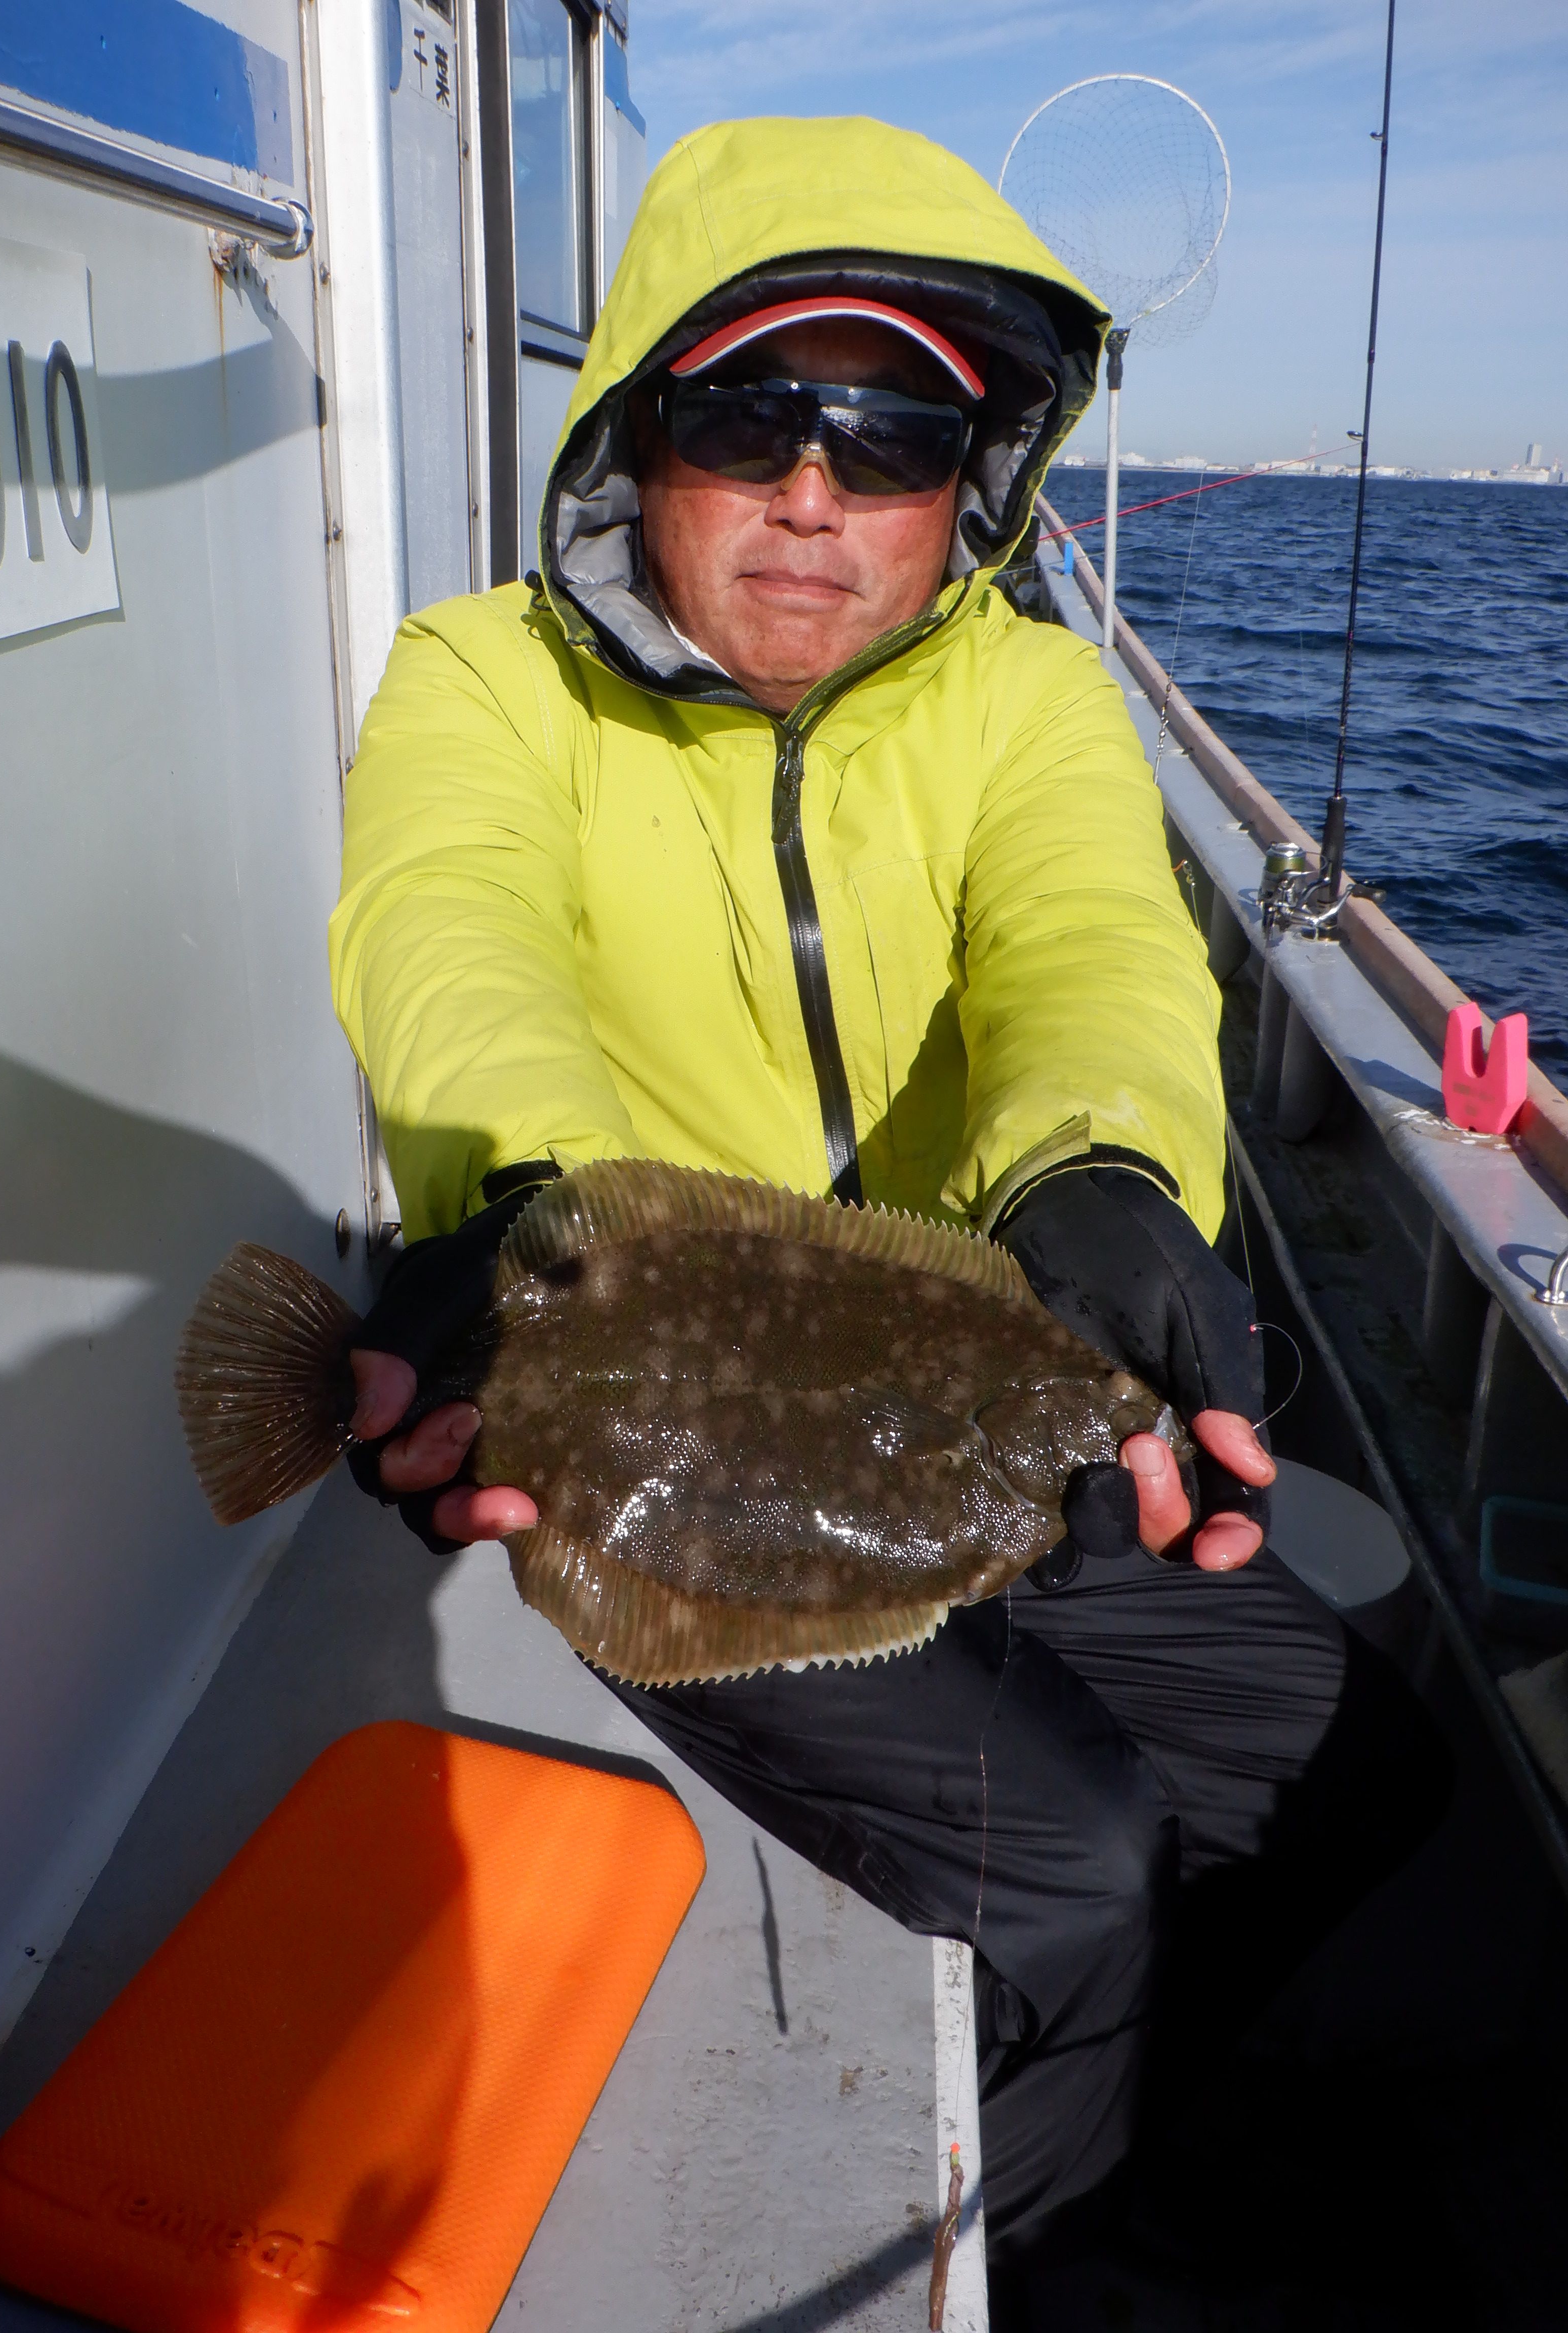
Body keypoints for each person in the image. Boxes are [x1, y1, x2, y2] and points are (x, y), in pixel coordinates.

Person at [327, 117, 1445, 2264]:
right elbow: (450, 941)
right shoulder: (481, 681)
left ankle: (1121, 2109)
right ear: (637, 439)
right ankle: (1035, 2255)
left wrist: (1107, 1175)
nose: (814, 491)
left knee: (1359, 1770)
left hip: (980, 1396)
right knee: (1081, 1866)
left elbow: (1088, 944)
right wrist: (544, 1221)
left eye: (894, 435)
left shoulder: (1029, 696)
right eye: (748, 416)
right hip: (676, 1445)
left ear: (969, 483)